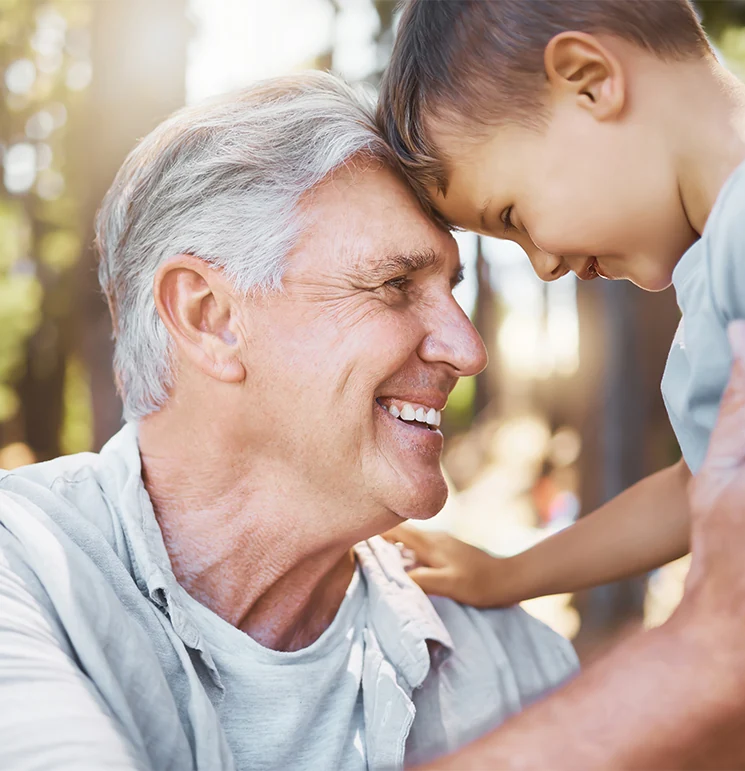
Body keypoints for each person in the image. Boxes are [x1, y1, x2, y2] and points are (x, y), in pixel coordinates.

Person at [0, 72, 580, 771]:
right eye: (396, 285)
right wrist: (699, 664)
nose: (468, 349)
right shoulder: (24, 572)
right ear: (209, 318)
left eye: (451, 289)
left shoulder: (513, 664)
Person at [377, 1, 745, 767]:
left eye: (512, 215)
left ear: (589, 82)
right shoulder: (740, 241)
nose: (540, 262)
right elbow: (695, 488)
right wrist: (510, 573)